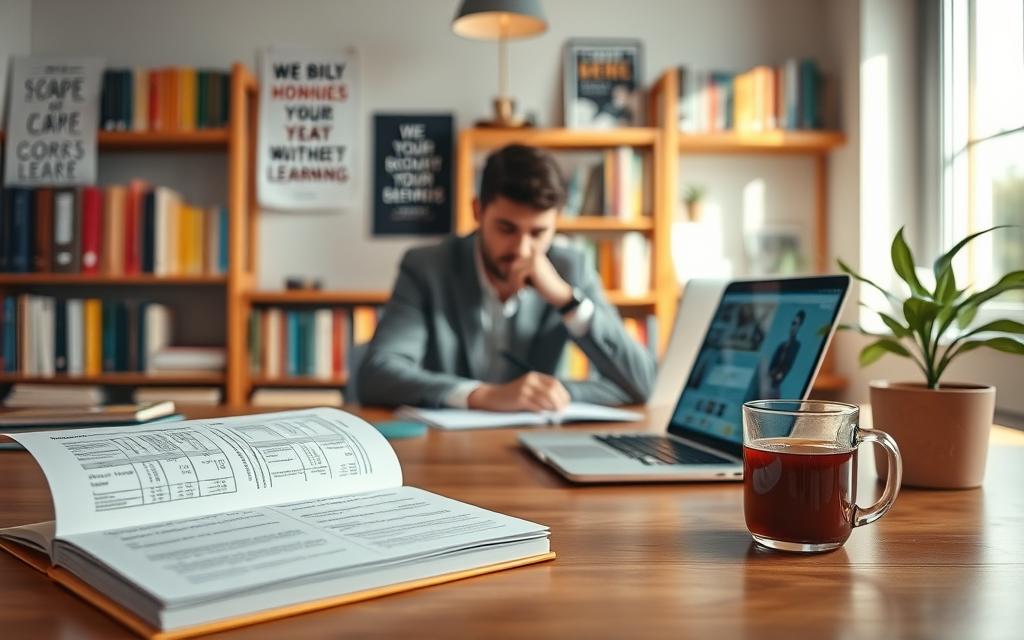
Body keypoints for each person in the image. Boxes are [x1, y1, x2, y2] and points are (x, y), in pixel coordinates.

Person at [357, 144, 656, 411]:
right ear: (478, 211)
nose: (523, 249)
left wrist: (566, 301)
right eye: (506, 228)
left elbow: (642, 384)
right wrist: (482, 395)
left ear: (556, 223)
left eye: (539, 233)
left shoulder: (570, 269)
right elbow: (378, 374)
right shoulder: (427, 267)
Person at [764, 310, 805, 398]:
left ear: (799, 326)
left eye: (795, 323)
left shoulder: (796, 346)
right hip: (769, 385)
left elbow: (787, 367)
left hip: (774, 388)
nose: (792, 326)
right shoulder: (781, 345)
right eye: (792, 323)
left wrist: (776, 379)